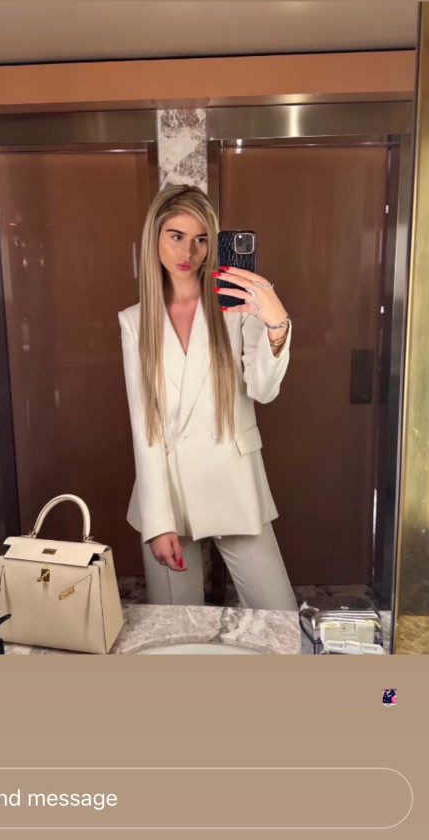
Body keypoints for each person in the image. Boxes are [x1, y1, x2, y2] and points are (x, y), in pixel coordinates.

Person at [118, 184, 297, 611]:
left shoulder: (234, 307)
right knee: (176, 627)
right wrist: (157, 521)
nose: (189, 252)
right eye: (176, 236)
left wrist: (277, 325)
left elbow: (263, 390)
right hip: (168, 490)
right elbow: (144, 425)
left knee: (279, 618)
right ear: (154, 238)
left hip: (234, 480)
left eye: (201, 239)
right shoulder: (134, 321)